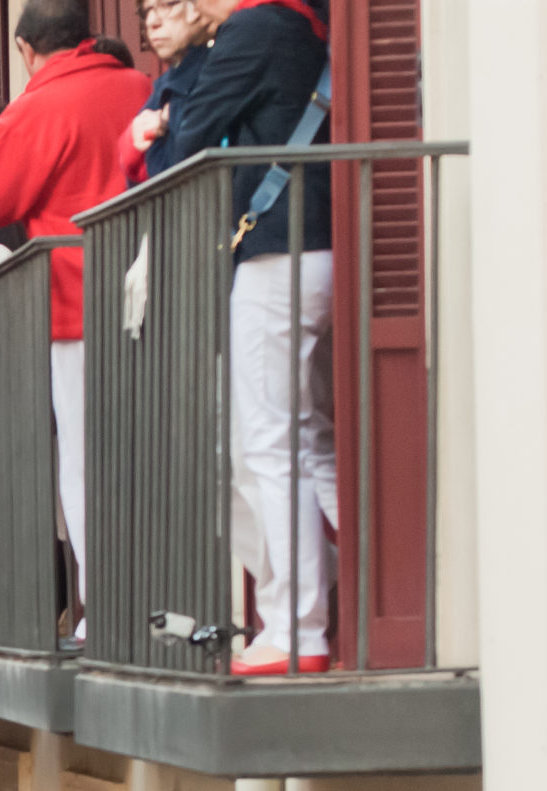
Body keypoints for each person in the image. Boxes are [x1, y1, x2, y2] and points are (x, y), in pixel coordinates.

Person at [0, 0, 151, 610]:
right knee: (152, 448)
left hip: (74, 303)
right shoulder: (139, 84)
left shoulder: (36, 106)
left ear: (27, 49)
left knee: (86, 460)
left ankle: (108, 607)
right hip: (152, 287)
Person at [156, 0, 337, 674]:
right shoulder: (302, 24)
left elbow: (191, 137)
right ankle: (327, 589)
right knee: (306, 440)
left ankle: (299, 627)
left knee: (265, 442)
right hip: (315, 242)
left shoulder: (252, 28)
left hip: (274, 253)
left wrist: (166, 117)